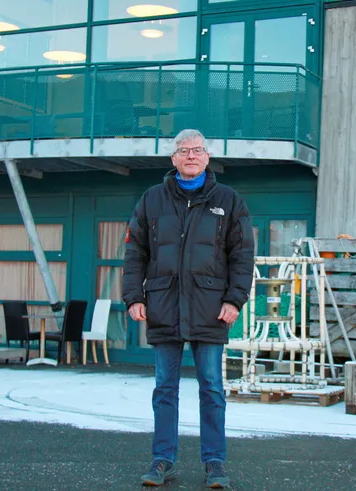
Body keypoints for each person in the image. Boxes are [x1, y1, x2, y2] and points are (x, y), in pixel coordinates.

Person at [122, 128, 255, 488]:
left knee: (211, 387)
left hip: (210, 308)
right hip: (163, 305)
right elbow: (136, 253)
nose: (191, 156)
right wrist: (134, 296)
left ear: (207, 157)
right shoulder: (151, 200)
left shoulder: (229, 201)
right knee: (165, 387)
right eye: (184, 151)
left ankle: (215, 463)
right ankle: (162, 460)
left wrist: (234, 299)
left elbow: (242, 256)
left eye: (197, 150)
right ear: (173, 159)